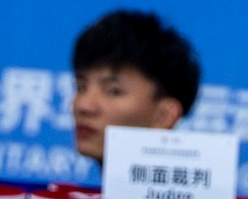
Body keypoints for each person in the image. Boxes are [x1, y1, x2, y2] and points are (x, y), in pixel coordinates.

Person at [69, 10, 201, 165]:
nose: (83, 105)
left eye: (113, 91)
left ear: (164, 116)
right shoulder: (48, 190)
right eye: (81, 87)